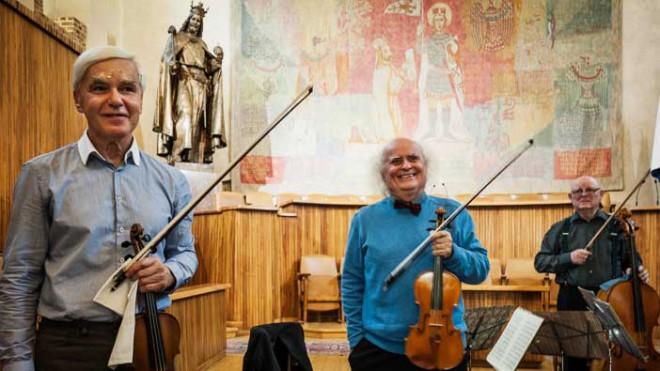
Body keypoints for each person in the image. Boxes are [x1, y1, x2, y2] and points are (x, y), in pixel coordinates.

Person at [0, 46, 198, 371]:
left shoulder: (172, 180)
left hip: (148, 342)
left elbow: (186, 253)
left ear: (140, 100)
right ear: (78, 99)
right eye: (100, 88)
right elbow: (20, 278)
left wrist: (170, 272)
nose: (116, 99)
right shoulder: (41, 175)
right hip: (69, 347)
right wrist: (16, 363)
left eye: (127, 88)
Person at [341, 138, 489, 371]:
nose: (406, 166)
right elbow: (351, 281)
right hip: (378, 349)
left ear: (425, 166)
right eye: (396, 161)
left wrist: (454, 253)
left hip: (442, 345)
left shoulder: (453, 213)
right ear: (383, 173)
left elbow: (481, 270)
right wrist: (356, 339)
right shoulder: (364, 219)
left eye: (413, 158)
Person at [534, 175, 649, 370]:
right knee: (574, 358)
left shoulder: (617, 225)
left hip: (610, 299)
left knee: (610, 357)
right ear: (570, 197)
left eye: (590, 190)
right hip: (572, 298)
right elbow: (540, 262)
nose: (584, 194)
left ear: (600, 194)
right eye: (578, 191)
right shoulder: (560, 229)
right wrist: (568, 258)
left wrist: (636, 271)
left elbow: (632, 260)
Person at [153, 2, 226, 165]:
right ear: (188, 20)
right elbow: (168, 60)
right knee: (184, 116)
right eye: (193, 19)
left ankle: (194, 157)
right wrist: (172, 67)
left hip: (201, 85)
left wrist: (218, 62)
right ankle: (178, 154)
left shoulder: (202, 44)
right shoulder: (177, 38)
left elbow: (209, 67)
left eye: (198, 21)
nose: (195, 23)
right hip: (183, 82)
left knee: (197, 122)